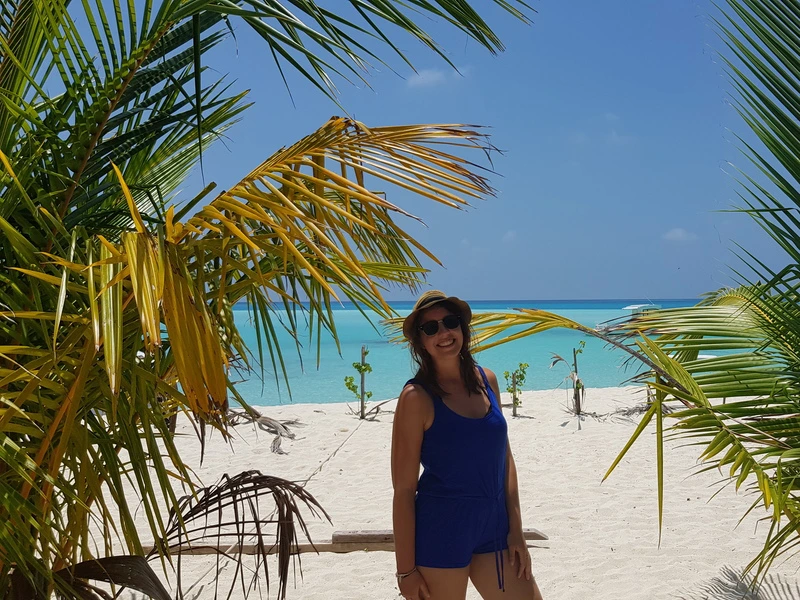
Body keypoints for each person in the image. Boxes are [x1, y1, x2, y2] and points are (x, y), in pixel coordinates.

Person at [391, 291, 544, 600]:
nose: (444, 333)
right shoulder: (416, 398)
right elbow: (404, 491)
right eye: (430, 328)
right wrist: (405, 571)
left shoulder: (487, 380)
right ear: (420, 342)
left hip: (495, 527)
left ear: (462, 328)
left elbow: (505, 459)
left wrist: (516, 529)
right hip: (442, 531)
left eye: (450, 322)